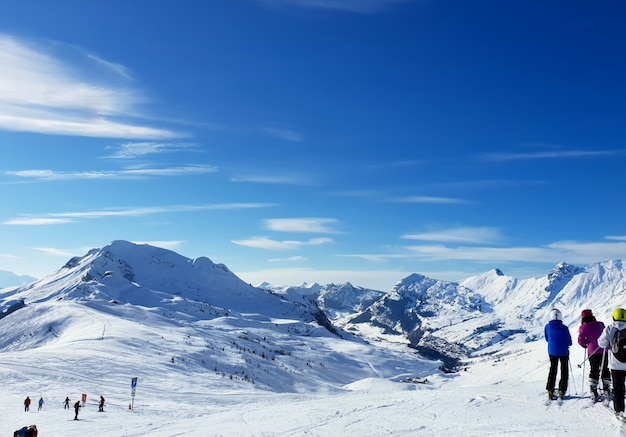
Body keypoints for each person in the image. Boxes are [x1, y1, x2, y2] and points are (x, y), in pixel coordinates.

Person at [598, 308, 626, 419]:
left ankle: (619, 411)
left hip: (615, 365)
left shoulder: (610, 328)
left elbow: (601, 343)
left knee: (618, 388)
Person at [578, 309, 611, 400]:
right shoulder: (600, 324)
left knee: (594, 369)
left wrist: (585, 344)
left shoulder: (583, 327)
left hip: (592, 351)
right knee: (604, 368)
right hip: (603, 350)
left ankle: (593, 390)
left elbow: (581, 340)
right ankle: (607, 388)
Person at [544, 308, 572, 400]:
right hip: (563, 351)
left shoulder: (547, 327)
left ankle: (550, 389)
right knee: (564, 371)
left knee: (553, 370)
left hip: (552, 351)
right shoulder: (564, 328)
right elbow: (569, 342)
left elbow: (547, 338)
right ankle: (562, 389)